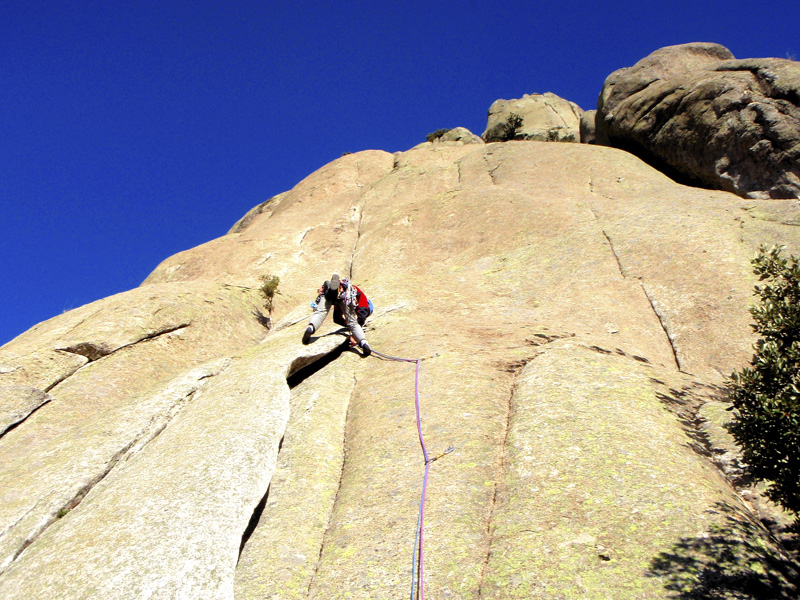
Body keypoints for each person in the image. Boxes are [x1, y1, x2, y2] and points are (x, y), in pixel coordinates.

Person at [302, 273, 373, 356]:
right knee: (353, 323)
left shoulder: (353, 295)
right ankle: (364, 343)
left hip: (332, 295)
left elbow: (337, 318)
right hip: (344, 296)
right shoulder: (358, 295)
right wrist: (353, 332)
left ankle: (311, 327)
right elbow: (360, 317)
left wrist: (348, 327)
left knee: (320, 313)